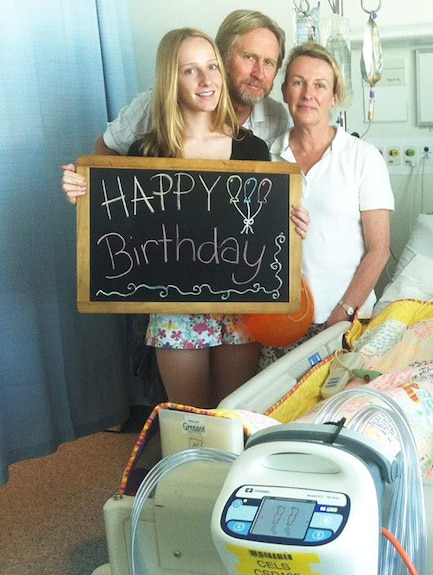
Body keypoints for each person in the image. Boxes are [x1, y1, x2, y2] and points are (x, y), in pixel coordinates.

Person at [62, 28, 306, 408]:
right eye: (191, 71)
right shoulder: (147, 152)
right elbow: (121, 229)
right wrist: (84, 196)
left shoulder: (251, 149)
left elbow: (261, 225)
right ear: (170, 80)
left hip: (238, 305)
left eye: (211, 67)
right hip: (175, 309)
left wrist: (292, 224)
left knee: (230, 419)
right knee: (191, 422)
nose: (207, 80)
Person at [261, 41, 393, 368]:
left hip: (347, 317)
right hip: (281, 318)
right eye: (298, 82)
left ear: (334, 97)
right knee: (275, 410)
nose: (308, 93)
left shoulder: (363, 158)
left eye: (320, 85)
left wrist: (342, 315)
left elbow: (380, 250)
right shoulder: (265, 158)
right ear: (284, 91)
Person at [94, 9, 289, 156]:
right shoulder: (153, 105)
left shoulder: (275, 120)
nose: (259, 73)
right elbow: (107, 148)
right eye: (249, 57)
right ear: (222, 57)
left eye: (269, 63)